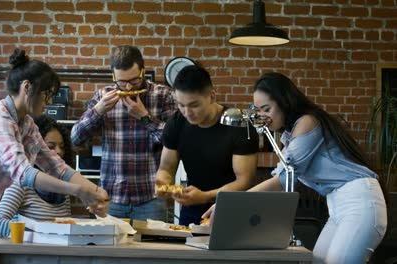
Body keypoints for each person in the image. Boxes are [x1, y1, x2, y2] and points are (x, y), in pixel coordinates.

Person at [0, 49, 109, 263]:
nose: (49, 101)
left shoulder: (27, 124)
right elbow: (22, 173)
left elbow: (56, 166)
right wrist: (78, 191)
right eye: (47, 94)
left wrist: (94, 190)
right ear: (27, 87)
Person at [203, 72, 387, 263]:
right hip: (337, 205)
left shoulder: (308, 122)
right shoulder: (289, 136)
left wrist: (230, 204)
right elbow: (284, 176)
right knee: (318, 260)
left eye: (266, 109)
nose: (261, 116)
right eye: (257, 110)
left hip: (359, 201)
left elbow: (283, 179)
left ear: (284, 103)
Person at [71, 45, 175, 222]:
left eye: (134, 81)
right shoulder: (103, 96)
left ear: (142, 71)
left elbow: (174, 142)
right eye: (121, 81)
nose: (127, 87)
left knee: (153, 249)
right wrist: (98, 110)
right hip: (111, 198)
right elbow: (76, 138)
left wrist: (145, 118)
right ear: (113, 76)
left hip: (151, 197)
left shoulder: (163, 95)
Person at [155, 64, 259, 226]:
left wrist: (205, 196)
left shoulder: (238, 125)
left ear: (212, 96)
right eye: (181, 105)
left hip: (231, 208)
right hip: (192, 207)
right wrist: (163, 184)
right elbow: (166, 168)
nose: (187, 113)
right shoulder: (176, 123)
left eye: (194, 105)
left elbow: (244, 181)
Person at [0, 115, 74, 237]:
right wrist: (36, 233)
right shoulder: (21, 182)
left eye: (62, 147)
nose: (59, 151)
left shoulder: (63, 186)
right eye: (51, 146)